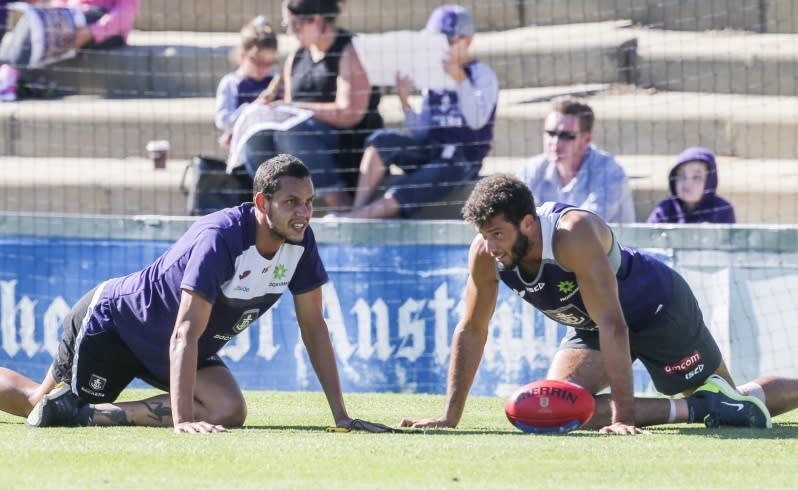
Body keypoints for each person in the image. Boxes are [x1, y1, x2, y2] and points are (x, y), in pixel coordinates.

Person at [0, 154, 393, 434]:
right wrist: (184, 419)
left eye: (308, 203)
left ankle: (88, 415)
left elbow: (314, 327)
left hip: (174, 347)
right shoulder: (220, 238)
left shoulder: (300, 242)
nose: (304, 213)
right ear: (262, 202)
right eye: (292, 202)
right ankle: (75, 408)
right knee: (37, 402)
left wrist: (341, 416)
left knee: (229, 409)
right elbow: (184, 331)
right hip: (115, 326)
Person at [400, 174, 798, 434]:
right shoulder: (487, 254)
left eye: (497, 234)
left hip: (658, 311)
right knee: (561, 411)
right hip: (593, 326)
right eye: (484, 235)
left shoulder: (574, 234)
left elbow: (615, 324)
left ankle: (720, 401)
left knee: (737, 405)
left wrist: (624, 417)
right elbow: (472, 329)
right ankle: (697, 410)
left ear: (527, 222)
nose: (490, 246)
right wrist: (449, 418)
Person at [340, 4, 498, 220]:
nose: (440, 50)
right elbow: (421, 133)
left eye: (447, 42)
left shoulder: (481, 74)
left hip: (460, 161)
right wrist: (404, 101)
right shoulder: (434, 77)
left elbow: (477, 120)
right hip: (431, 151)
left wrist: (460, 79)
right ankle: (357, 207)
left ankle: (356, 219)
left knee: (420, 181)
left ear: (466, 41)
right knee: (381, 141)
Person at [275, 0, 382, 210]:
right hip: (306, 142)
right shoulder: (296, 56)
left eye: (295, 25)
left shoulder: (350, 50)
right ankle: (271, 204)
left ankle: (339, 202)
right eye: (287, 25)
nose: (291, 32)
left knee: (291, 131)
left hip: (347, 145)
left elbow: (349, 113)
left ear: (317, 20)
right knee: (258, 137)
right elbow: (288, 104)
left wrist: (297, 109)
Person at [517, 96, 635, 223]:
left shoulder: (608, 172)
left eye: (566, 136)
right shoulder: (533, 170)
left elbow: (585, 227)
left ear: (586, 140)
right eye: (550, 133)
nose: (555, 142)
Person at [0, 0, 139, 101]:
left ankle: (8, 75)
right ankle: (9, 74)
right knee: (32, 17)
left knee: (33, 22)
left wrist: (93, 32)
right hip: (71, 16)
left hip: (103, 24)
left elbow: (125, 11)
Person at [215, 16, 282, 178]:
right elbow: (223, 120)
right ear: (243, 55)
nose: (262, 69)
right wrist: (252, 109)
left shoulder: (275, 80)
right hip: (244, 148)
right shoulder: (230, 83)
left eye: (268, 63)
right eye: (257, 62)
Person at [647, 146, 736, 224]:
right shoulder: (665, 209)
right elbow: (647, 237)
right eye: (681, 176)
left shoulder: (722, 210)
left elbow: (731, 241)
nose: (687, 182)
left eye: (696, 177)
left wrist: (712, 235)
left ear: (709, 182)